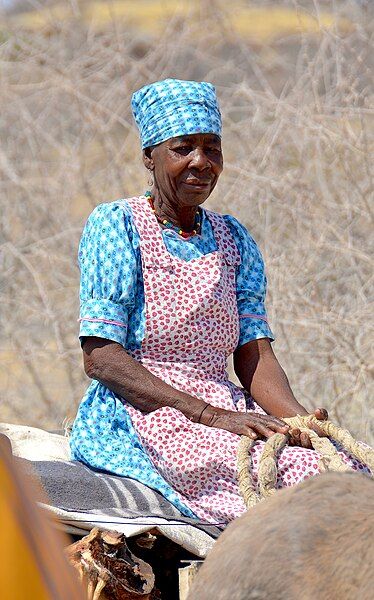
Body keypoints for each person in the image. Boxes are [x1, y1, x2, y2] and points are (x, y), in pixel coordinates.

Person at [70, 79, 366, 524]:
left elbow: (255, 353)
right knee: (288, 488)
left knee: (340, 467)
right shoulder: (118, 226)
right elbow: (102, 360)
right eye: (183, 148)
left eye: (212, 149)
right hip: (146, 412)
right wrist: (208, 415)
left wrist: (301, 422)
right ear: (149, 157)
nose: (200, 163)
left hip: (224, 407)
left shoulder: (234, 239)